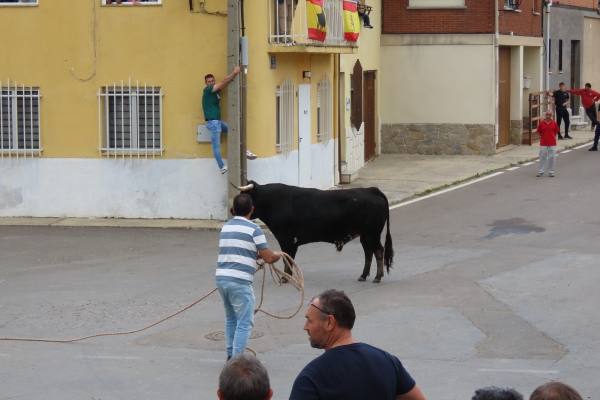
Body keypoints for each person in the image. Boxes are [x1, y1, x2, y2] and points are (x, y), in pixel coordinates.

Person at [289, 289, 427, 400]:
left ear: (329, 322)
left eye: (309, 320)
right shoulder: (388, 361)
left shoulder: (311, 378)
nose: (305, 327)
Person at [216, 194, 281, 360]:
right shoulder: (254, 229)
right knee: (245, 322)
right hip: (239, 281)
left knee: (231, 318)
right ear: (252, 210)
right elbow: (268, 257)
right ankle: (237, 361)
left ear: (233, 210)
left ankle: (231, 355)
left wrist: (254, 256)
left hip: (222, 279)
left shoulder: (226, 227)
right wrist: (278, 255)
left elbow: (239, 250)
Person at [203, 67, 257, 174]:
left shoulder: (215, 91)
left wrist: (231, 79)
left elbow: (224, 84)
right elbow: (224, 81)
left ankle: (245, 151)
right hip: (213, 123)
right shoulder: (208, 90)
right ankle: (222, 167)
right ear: (206, 83)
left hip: (217, 122)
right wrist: (234, 73)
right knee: (216, 146)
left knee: (234, 130)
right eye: (209, 81)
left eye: (212, 81)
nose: (211, 83)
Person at [536, 110, 559, 177]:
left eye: (549, 115)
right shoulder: (541, 123)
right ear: (545, 115)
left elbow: (556, 132)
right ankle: (541, 171)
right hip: (543, 143)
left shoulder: (554, 123)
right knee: (542, 157)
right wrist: (543, 137)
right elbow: (539, 132)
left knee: (552, 158)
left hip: (552, 143)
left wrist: (552, 137)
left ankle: (551, 172)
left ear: (551, 116)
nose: (548, 116)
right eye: (547, 114)